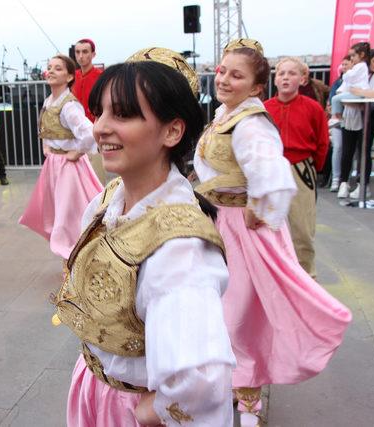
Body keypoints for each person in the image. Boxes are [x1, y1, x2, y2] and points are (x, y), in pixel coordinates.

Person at [54, 48, 235, 427]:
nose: (100, 127)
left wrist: (149, 412)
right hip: (95, 385)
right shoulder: (109, 197)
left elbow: (201, 380)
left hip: (128, 407)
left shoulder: (180, 247)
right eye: (100, 111)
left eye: (122, 114)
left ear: (172, 130)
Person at [194, 39, 352, 427]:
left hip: (242, 233)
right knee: (224, 312)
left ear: (255, 87)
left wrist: (257, 207)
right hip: (220, 225)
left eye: (237, 75)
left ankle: (248, 407)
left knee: (239, 317)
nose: (225, 80)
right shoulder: (225, 116)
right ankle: (233, 390)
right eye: (222, 71)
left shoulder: (249, 123)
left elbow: (275, 175)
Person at [19, 54, 103, 262]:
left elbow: (89, 131)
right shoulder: (50, 101)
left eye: (58, 68)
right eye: (50, 67)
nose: (51, 71)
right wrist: (47, 146)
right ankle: (74, 257)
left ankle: (74, 257)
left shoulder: (68, 105)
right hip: (55, 164)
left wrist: (78, 151)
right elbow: (46, 129)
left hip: (68, 166)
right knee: (58, 211)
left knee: (69, 213)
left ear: (68, 76)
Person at [265, 57, 329, 278]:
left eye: (291, 73)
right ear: (275, 79)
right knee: (269, 226)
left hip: (300, 170)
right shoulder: (265, 109)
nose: (285, 77)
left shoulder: (312, 108)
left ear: (303, 79)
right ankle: (277, 278)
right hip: (271, 171)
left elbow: (322, 141)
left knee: (301, 229)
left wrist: (313, 168)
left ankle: (306, 278)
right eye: (281, 73)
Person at [337, 49, 374, 199]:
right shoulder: (354, 74)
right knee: (347, 151)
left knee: (364, 152)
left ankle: (363, 184)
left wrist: (357, 92)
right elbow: (341, 93)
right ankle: (344, 182)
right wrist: (357, 93)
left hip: (368, 117)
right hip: (350, 117)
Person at [72, 38, 106, 185]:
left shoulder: (101, 77)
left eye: (85, 52)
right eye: (77, 52)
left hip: (94, 135)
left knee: (96, 180)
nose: (81, 56)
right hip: (75, 136)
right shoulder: (72, 77)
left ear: (93, 54)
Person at [329, 42, 371, 127]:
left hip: (357, 93)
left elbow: (350, 76)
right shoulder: (361, 66)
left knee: (335, 99)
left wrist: (346, 74)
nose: (351, 58)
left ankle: (336, 117)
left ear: (361, 55)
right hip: (357, 92)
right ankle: (337, 117)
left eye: (353, 56)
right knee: (336, 98)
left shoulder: (360, 66)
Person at [327, 56, 352, 191]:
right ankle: (336, 179)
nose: (343, 66)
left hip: (351, 120)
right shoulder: (338, 83)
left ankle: (345, 179)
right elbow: (332, 103)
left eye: (346, 64)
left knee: (349, 151)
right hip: (337, 121)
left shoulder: (354, 83)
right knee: (338, 148)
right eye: (342, 64)